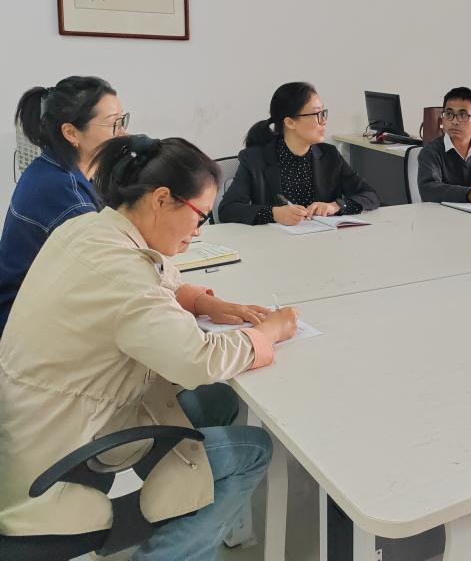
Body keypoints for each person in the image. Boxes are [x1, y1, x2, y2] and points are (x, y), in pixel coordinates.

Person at [0, 135, 299, 560]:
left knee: (214, 401)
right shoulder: (124, 276)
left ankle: (180, 503)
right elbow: (197, 360)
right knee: (253, 449)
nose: (198, 231)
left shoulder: (87, 228)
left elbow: (156, 280)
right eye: (199, 215)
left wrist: (204, 302)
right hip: (59, 462)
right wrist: (269, 333)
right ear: (161, 199)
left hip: (29, 429)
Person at [0, 76, 128, 334]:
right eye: (114, 123)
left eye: (123, 120)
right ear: (71, 133)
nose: (123, 133)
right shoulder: (65, 194)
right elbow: (107, 278)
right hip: (23, 326)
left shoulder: (53, 168)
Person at [219, 82, 380, 225]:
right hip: (274, 243)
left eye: (323, 113)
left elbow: (370, 195)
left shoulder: (329, 155)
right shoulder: (255, 158)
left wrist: (336, 206)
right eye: (317, 114)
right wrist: (274, 213)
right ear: (290, 122)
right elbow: (228, 209)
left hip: (325, 241)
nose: (324, 121)